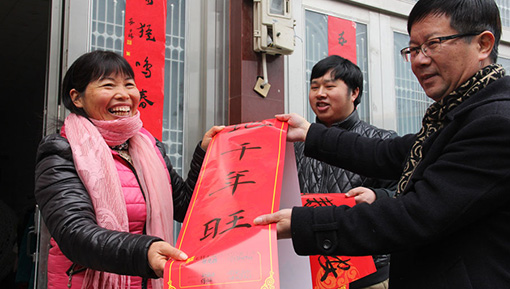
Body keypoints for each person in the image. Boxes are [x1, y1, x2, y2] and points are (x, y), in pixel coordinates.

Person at [254, 0, 510, 288]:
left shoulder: (495, 122)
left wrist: (303, 224)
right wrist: (311, 134)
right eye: (412, 49)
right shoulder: (454, 115)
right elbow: (387, 153)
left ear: (483, 45)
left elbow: (416, 215)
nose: (419, 60)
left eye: (432, 44)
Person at [34, 50, 223, 289]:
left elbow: (185, 207)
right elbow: (75, 234)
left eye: (129, 84)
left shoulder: (148, 147)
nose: (123, 94)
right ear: (77, 98)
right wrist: (145, 252)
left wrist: (204, 154)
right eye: (108, 85)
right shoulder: (61, 151)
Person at [295, 55, 397, 289]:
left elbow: (404, 197)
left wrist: (376, 196)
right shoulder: (295, 145)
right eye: (314, 87)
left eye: (330, 86)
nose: (320, 93)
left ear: (354, 93)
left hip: (368, 275)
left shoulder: (381, 141)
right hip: (309, 272)